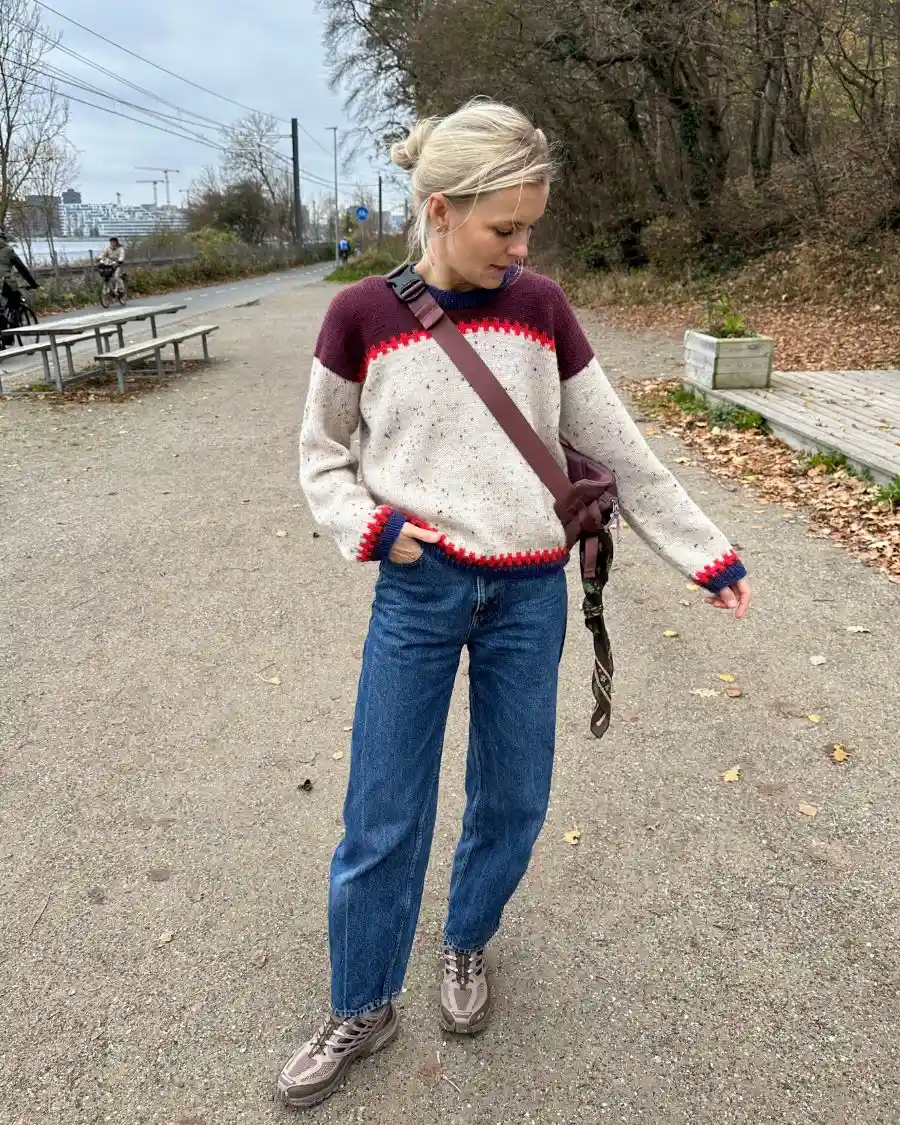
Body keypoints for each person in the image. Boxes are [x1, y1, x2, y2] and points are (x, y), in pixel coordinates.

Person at [282, 98, 751, 1110]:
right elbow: (321, 453)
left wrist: (704, 552)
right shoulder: (359, 314)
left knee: (514, 798)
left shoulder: (541, 308)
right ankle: (362, 1003)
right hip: (419, 590)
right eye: (505, 228)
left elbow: (618, 444)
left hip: (531, 592)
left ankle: (466, 939)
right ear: (439, 211)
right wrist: (372, 528)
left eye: (531, 226)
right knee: (381, 812)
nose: (523, 248)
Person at [0, 227, 39, 316]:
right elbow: (22, 269)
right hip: (5, 283)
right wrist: (33, 284)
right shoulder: (8, 251)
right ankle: (13, 319)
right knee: (15, 299)